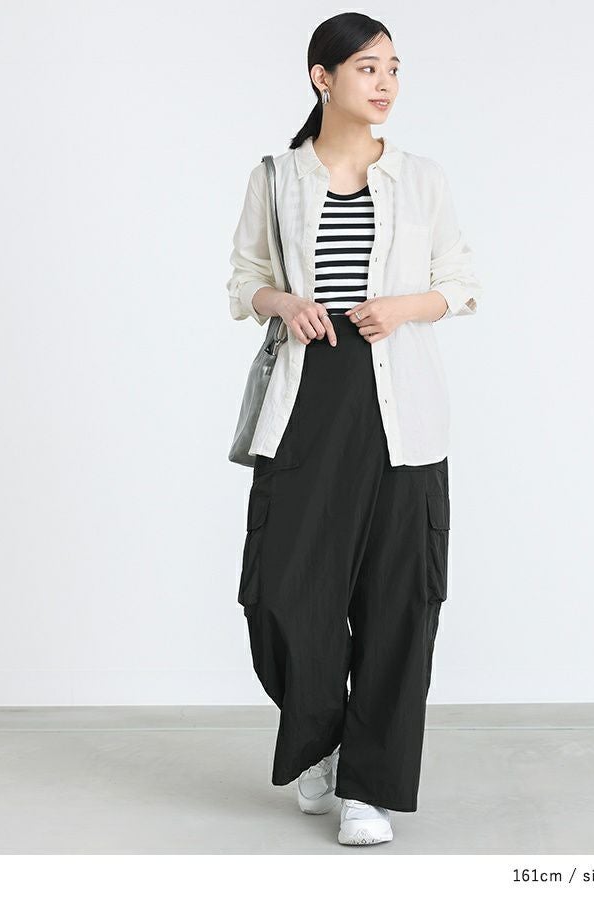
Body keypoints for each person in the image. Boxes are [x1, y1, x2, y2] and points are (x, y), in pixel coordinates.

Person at [226, 12, 482, 846]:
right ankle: (319, 742)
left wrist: (403, 308)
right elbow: (245, 278)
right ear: (322, 76)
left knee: (398, 599)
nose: (386, 83)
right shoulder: (276, 177)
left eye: (394, 69)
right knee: (282, 591)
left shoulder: (421, 178)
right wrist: (284, 302)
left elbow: (460, 281)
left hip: (400, 406)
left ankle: (368, 789)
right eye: (369, 67)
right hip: (307, 398)